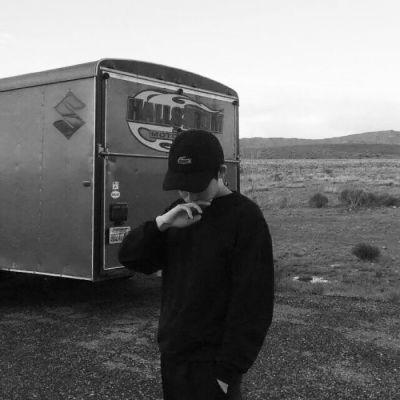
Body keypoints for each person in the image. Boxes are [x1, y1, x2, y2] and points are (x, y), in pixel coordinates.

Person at [118, 129, 274, 400]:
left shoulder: (245, 218)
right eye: (182, 186)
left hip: (214, 366)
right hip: (174, 356)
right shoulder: (179, 212)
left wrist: (228, 371)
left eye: (197, 186)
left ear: (221, 172)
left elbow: (254, 301)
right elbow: (131, 258)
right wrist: (161, 224)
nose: (189, 196)